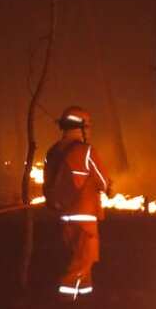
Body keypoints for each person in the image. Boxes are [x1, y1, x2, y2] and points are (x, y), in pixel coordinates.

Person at [43, 106, 112, 299]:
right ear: (80, 127)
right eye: (88, 126)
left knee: (78, 259)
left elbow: (47, 185)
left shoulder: (52, 152)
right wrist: (109, 188)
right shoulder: (86, 151)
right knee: (83, 262)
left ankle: (83, 299)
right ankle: (66, 301)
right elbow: (103, 181)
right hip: (85, 217)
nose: (89, 131)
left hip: (64, 217)